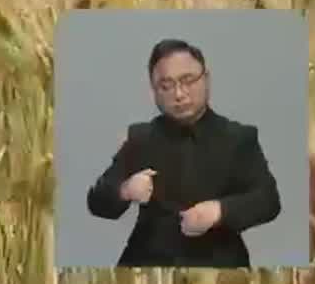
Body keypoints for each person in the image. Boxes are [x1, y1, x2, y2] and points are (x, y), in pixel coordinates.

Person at [85, 38, 282, 267]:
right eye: (166, 86)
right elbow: (96, 201)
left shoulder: (238, 138)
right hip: (147, 264)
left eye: (188, 81)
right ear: (154, 91)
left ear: (206, 78)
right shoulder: (140, 138)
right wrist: (125, 190)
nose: (179, 94)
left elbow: (268, 200)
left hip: (220, 264)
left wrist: (219, 211)